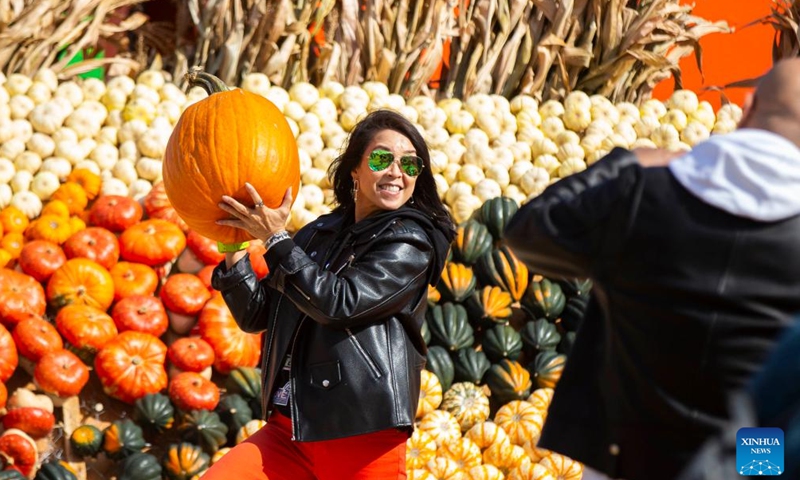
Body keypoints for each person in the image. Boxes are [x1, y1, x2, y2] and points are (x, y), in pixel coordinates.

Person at [503, 58, 800, 480]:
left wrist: (631, 163)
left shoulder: (641, 196)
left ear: (748, 107)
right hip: (752, 458)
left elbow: (528, 231)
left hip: (632, 453)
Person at [202, 109, 455, 480]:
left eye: (410, 165)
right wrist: (233, 245)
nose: (396, 172)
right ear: (355, 168)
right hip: (291, 427)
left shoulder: (410, 242)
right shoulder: (319, 233)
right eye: (382, 159)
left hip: (360, 431)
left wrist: (275, 239)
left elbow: (340, 303)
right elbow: (259, 316)